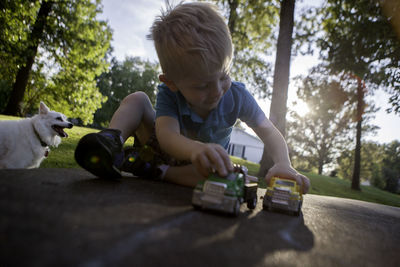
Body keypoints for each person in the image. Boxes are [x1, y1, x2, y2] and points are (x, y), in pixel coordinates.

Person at [74, 2, 310, 193]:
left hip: (197, 166)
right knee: (137, 99)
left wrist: (283, 163)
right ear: (172, 83)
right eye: (203, 85)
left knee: (225, 176)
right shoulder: (169, 93)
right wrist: (194, 148)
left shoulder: (237, 95)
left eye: (224, 76)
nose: (217, 90)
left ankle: (157, 171)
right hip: (162, 147)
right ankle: (110, 141)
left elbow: (268, 130)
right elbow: (166, 136)